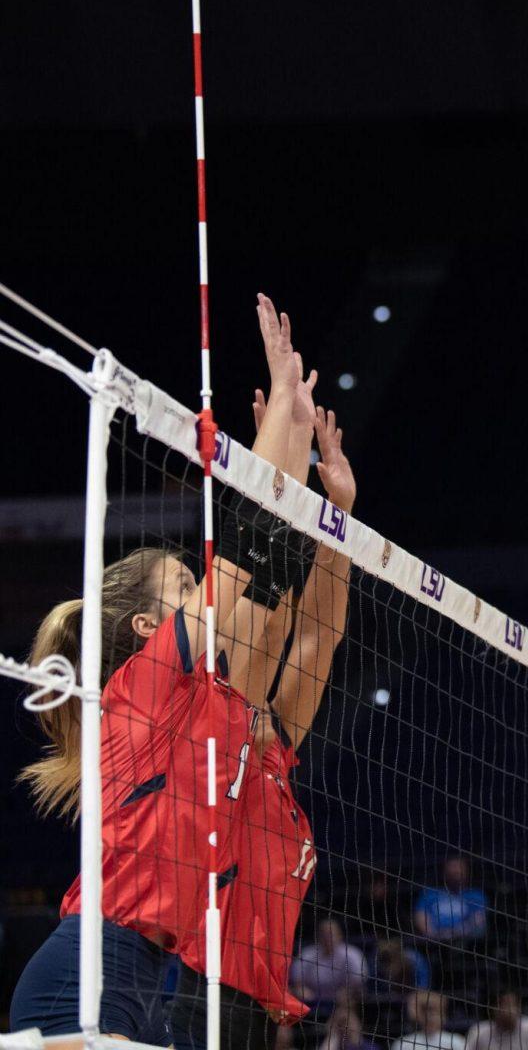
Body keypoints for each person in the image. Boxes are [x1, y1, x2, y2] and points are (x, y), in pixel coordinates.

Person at [10, 294, 305, 1045]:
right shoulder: (140, 685)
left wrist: (294, 423)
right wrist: (276, 422)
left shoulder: (199, 701)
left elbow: (269, 570)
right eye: (183, 589)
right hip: (87, 967)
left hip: (141, 969)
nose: (197, 595)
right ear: (149, 628)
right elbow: (243, 547)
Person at [169, 397, 358, 1050]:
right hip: (193, 987)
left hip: (246, 1000)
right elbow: (267, 604)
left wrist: (337, 519)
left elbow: (318, 637)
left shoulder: (267, 743)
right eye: (182, 586)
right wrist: (281, 474)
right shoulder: (218, 720)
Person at [290, 918, 369, 1009]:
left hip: (343, 1001)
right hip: (311, 1001)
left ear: (340, 935)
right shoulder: (307, 954)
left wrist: (345, 993)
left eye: (331, 934)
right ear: (318, 936)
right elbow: (297, 983)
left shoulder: (352, 954)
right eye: (323, 934)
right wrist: (302, 991)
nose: (327, 938)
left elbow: (358, 983)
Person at [414, 857, 488, 944]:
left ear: (467, 871)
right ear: (444, 871)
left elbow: (478, 920)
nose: (456, 871)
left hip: (466, 942)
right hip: (434, 942)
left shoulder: (475, 895)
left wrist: (456, 933)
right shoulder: (429, 894)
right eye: (452, 867)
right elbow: (421, 917)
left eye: (459, 867)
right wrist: (436, 936)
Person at [464, 992, 528, 1050]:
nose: (507, 1010)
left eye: (510, 1005)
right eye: (501, 1004)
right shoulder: (479, 1030)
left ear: (519, 1007)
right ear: (492, 1008)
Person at [390, 991, 465, 1050]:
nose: (430, 1016)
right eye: (425, 1010)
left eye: (435, 1011)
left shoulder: (456, 1041)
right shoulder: (403, 1043)